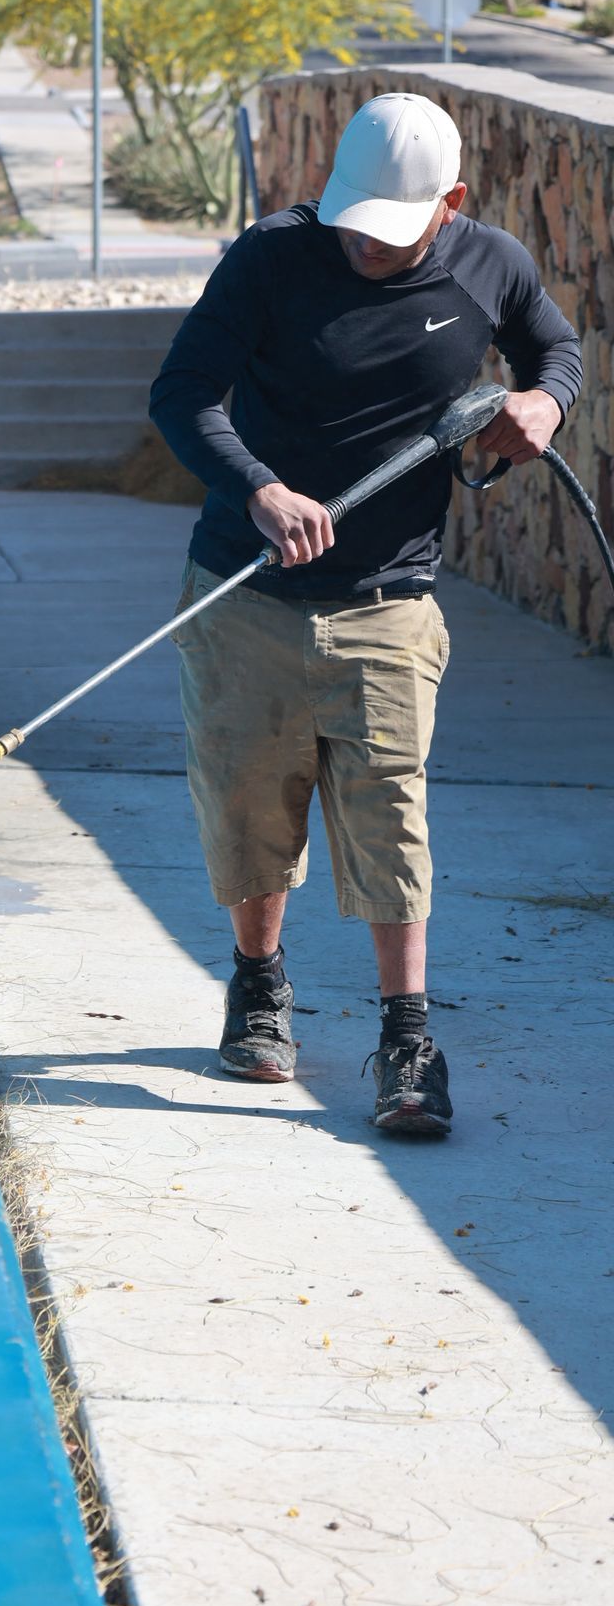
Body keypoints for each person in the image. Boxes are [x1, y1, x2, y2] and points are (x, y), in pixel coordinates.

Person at [149, 91, 582, 1135]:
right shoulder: (268, 258)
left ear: (452, 204)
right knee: (250, 801)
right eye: (351, 221)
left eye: (391, 229)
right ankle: (258, 986)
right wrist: (258, 487)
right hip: (244, 589)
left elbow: (554, 351)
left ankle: (406, 1038)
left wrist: (543, 403)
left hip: (390, 596)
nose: (364, 246)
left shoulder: (492, 262)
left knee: (390, 809)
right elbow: (182, 392)